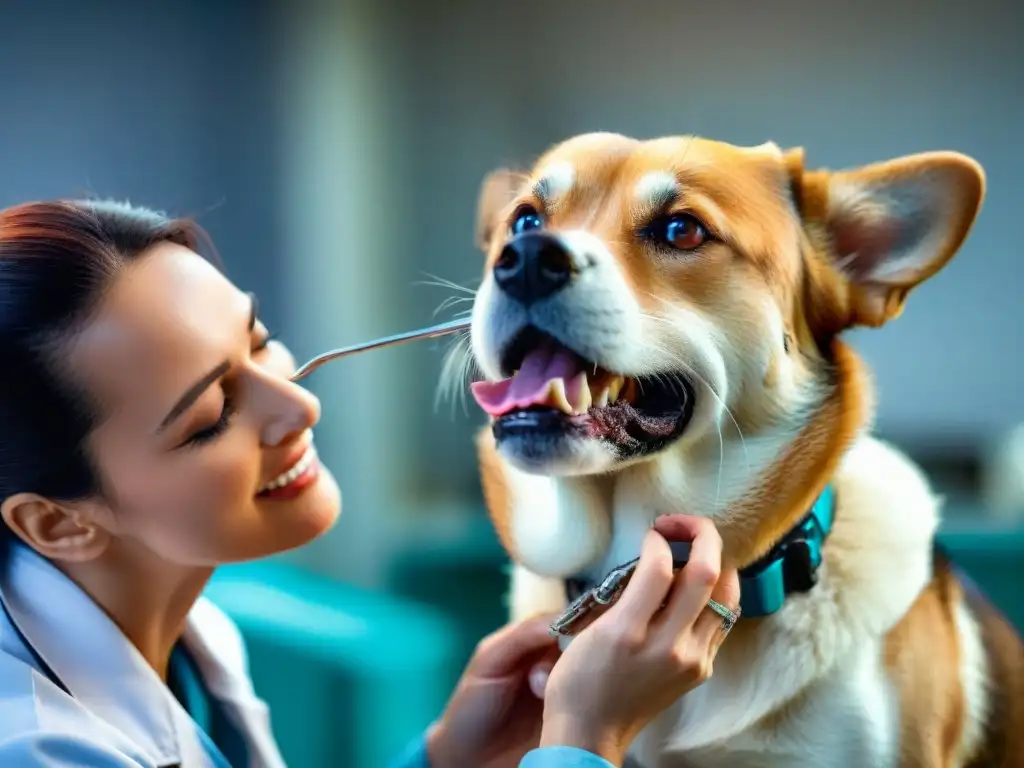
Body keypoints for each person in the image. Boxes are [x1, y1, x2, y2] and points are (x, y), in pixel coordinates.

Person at [0, 199, 741, 768]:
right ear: (56, 522)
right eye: (211, 414)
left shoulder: (193, 636)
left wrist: (450, 756)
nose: (300, 405)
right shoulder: (38, 747)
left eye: (258, 342)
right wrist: (585, 735)